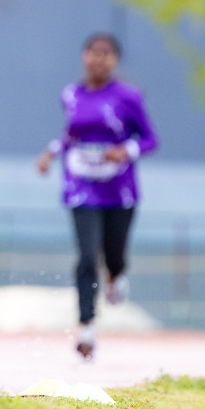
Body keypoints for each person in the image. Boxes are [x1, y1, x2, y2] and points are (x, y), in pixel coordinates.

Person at [35, 32, 159, 360]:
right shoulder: (71, 95)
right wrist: (51, 152)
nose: (98, 59)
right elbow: (71, 135)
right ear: (83, 56)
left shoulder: (128, 97)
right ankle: (86, 326)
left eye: (106, 53)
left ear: (115, 60)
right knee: (88, 254)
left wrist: (127, 150)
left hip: (119, 189)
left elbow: (150, 139)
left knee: (113, 255)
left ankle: (116, 276)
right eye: (92, 52)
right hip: (81, 186)